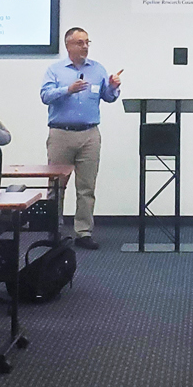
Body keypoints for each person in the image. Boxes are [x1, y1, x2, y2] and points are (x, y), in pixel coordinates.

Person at [39, 27, 122, 250]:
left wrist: (113, 88)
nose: (85, 46)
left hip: (89, 134)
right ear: (68, 46)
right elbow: (45, 96)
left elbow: (108, 97)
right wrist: (68, 89)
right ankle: (53, 230)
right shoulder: (55, 70)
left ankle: (83, 232)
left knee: (86, 187)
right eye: (80, 43)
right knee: (56, 186)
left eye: (87, 42)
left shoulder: (98, 69)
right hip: (61, 134)